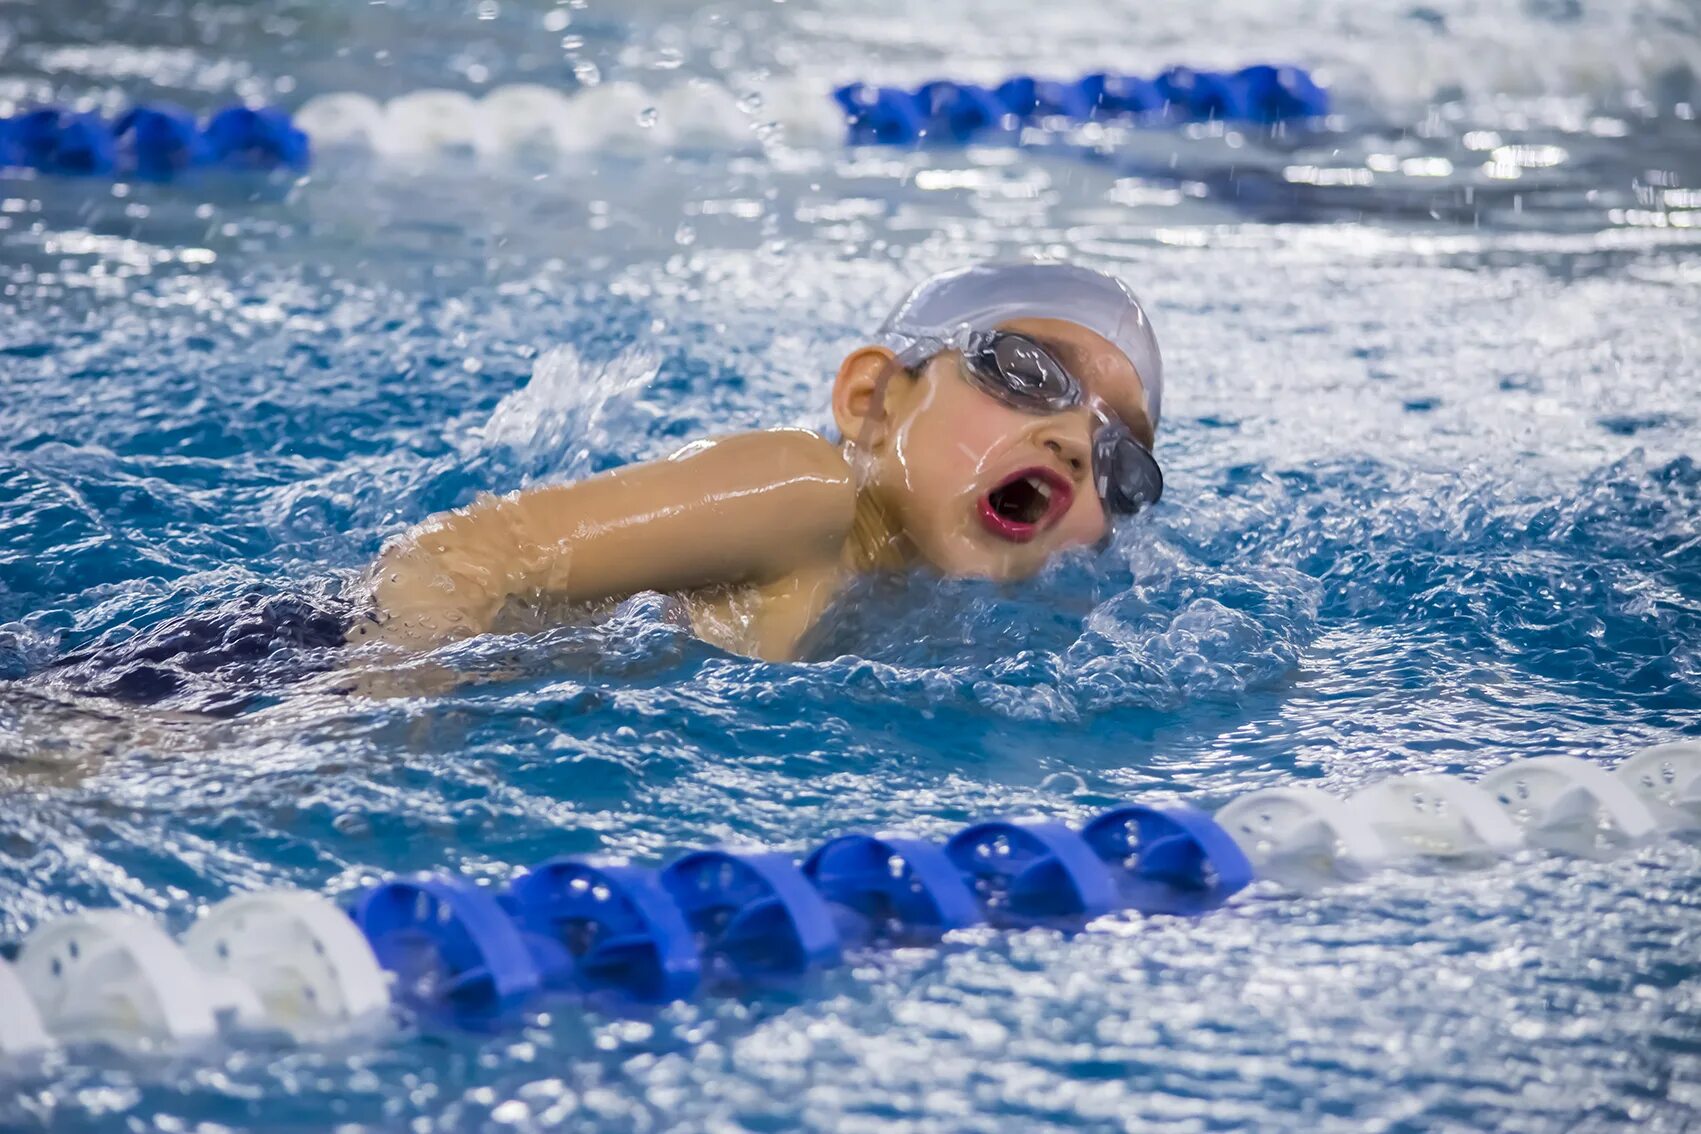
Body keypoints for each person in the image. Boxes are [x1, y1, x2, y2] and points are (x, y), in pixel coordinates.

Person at [347, 261, 1166, 663]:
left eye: (1121, 459)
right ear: (873, 400)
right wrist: (375, 718)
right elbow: (455, 557)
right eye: (1027, 372)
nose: (1072, 439)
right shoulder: (803, 490)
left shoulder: (914, 617)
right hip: (271, 679)